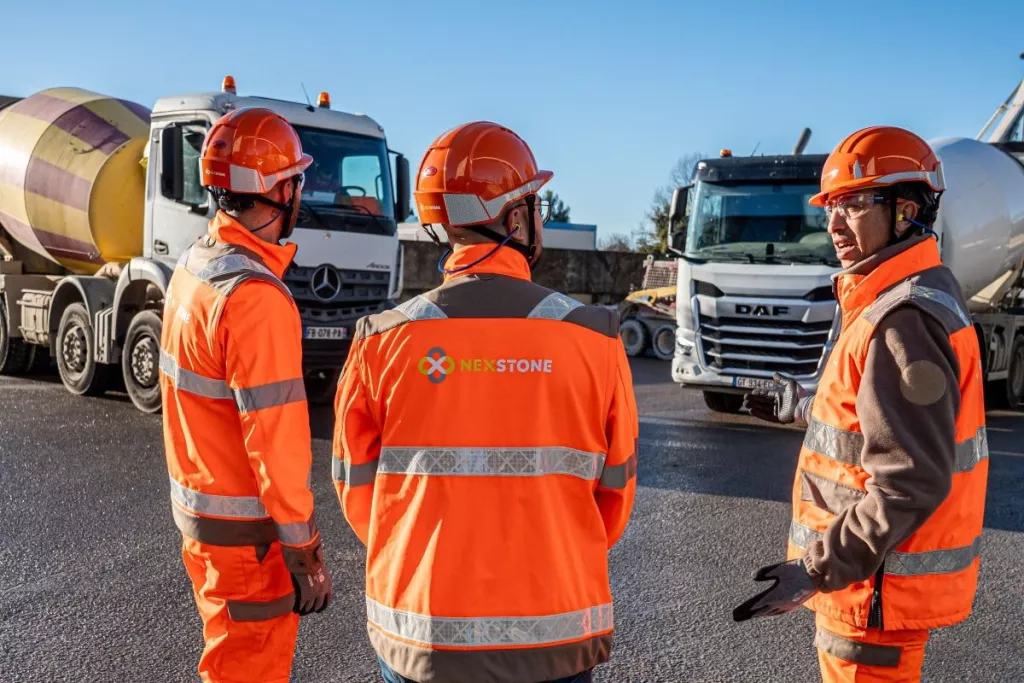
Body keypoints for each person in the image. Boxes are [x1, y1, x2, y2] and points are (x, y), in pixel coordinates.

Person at [332, 121, 639, 683]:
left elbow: (358, 494)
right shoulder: (594, 338)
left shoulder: (380, 340)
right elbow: (613, 497)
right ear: (516, 218)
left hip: (420, 634)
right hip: (555, 635)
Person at [733, 126, 989, 683]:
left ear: (907, 210)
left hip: (872, 595)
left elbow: (909, 480)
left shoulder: (903, 321)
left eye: (852, 204)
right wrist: (803, 408)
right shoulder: (901, 299)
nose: (833, 223)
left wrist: (817, 568)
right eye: (830, 207)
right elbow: (880, 423)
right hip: (869, 589)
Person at [160, 106, 333, 683]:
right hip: (249, 547)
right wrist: (304, 552)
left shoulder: (194, 269)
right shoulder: (255, 297)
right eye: (296, 181)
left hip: (205, 525)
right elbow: (277, 446)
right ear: (280, 190)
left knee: (226, 660)